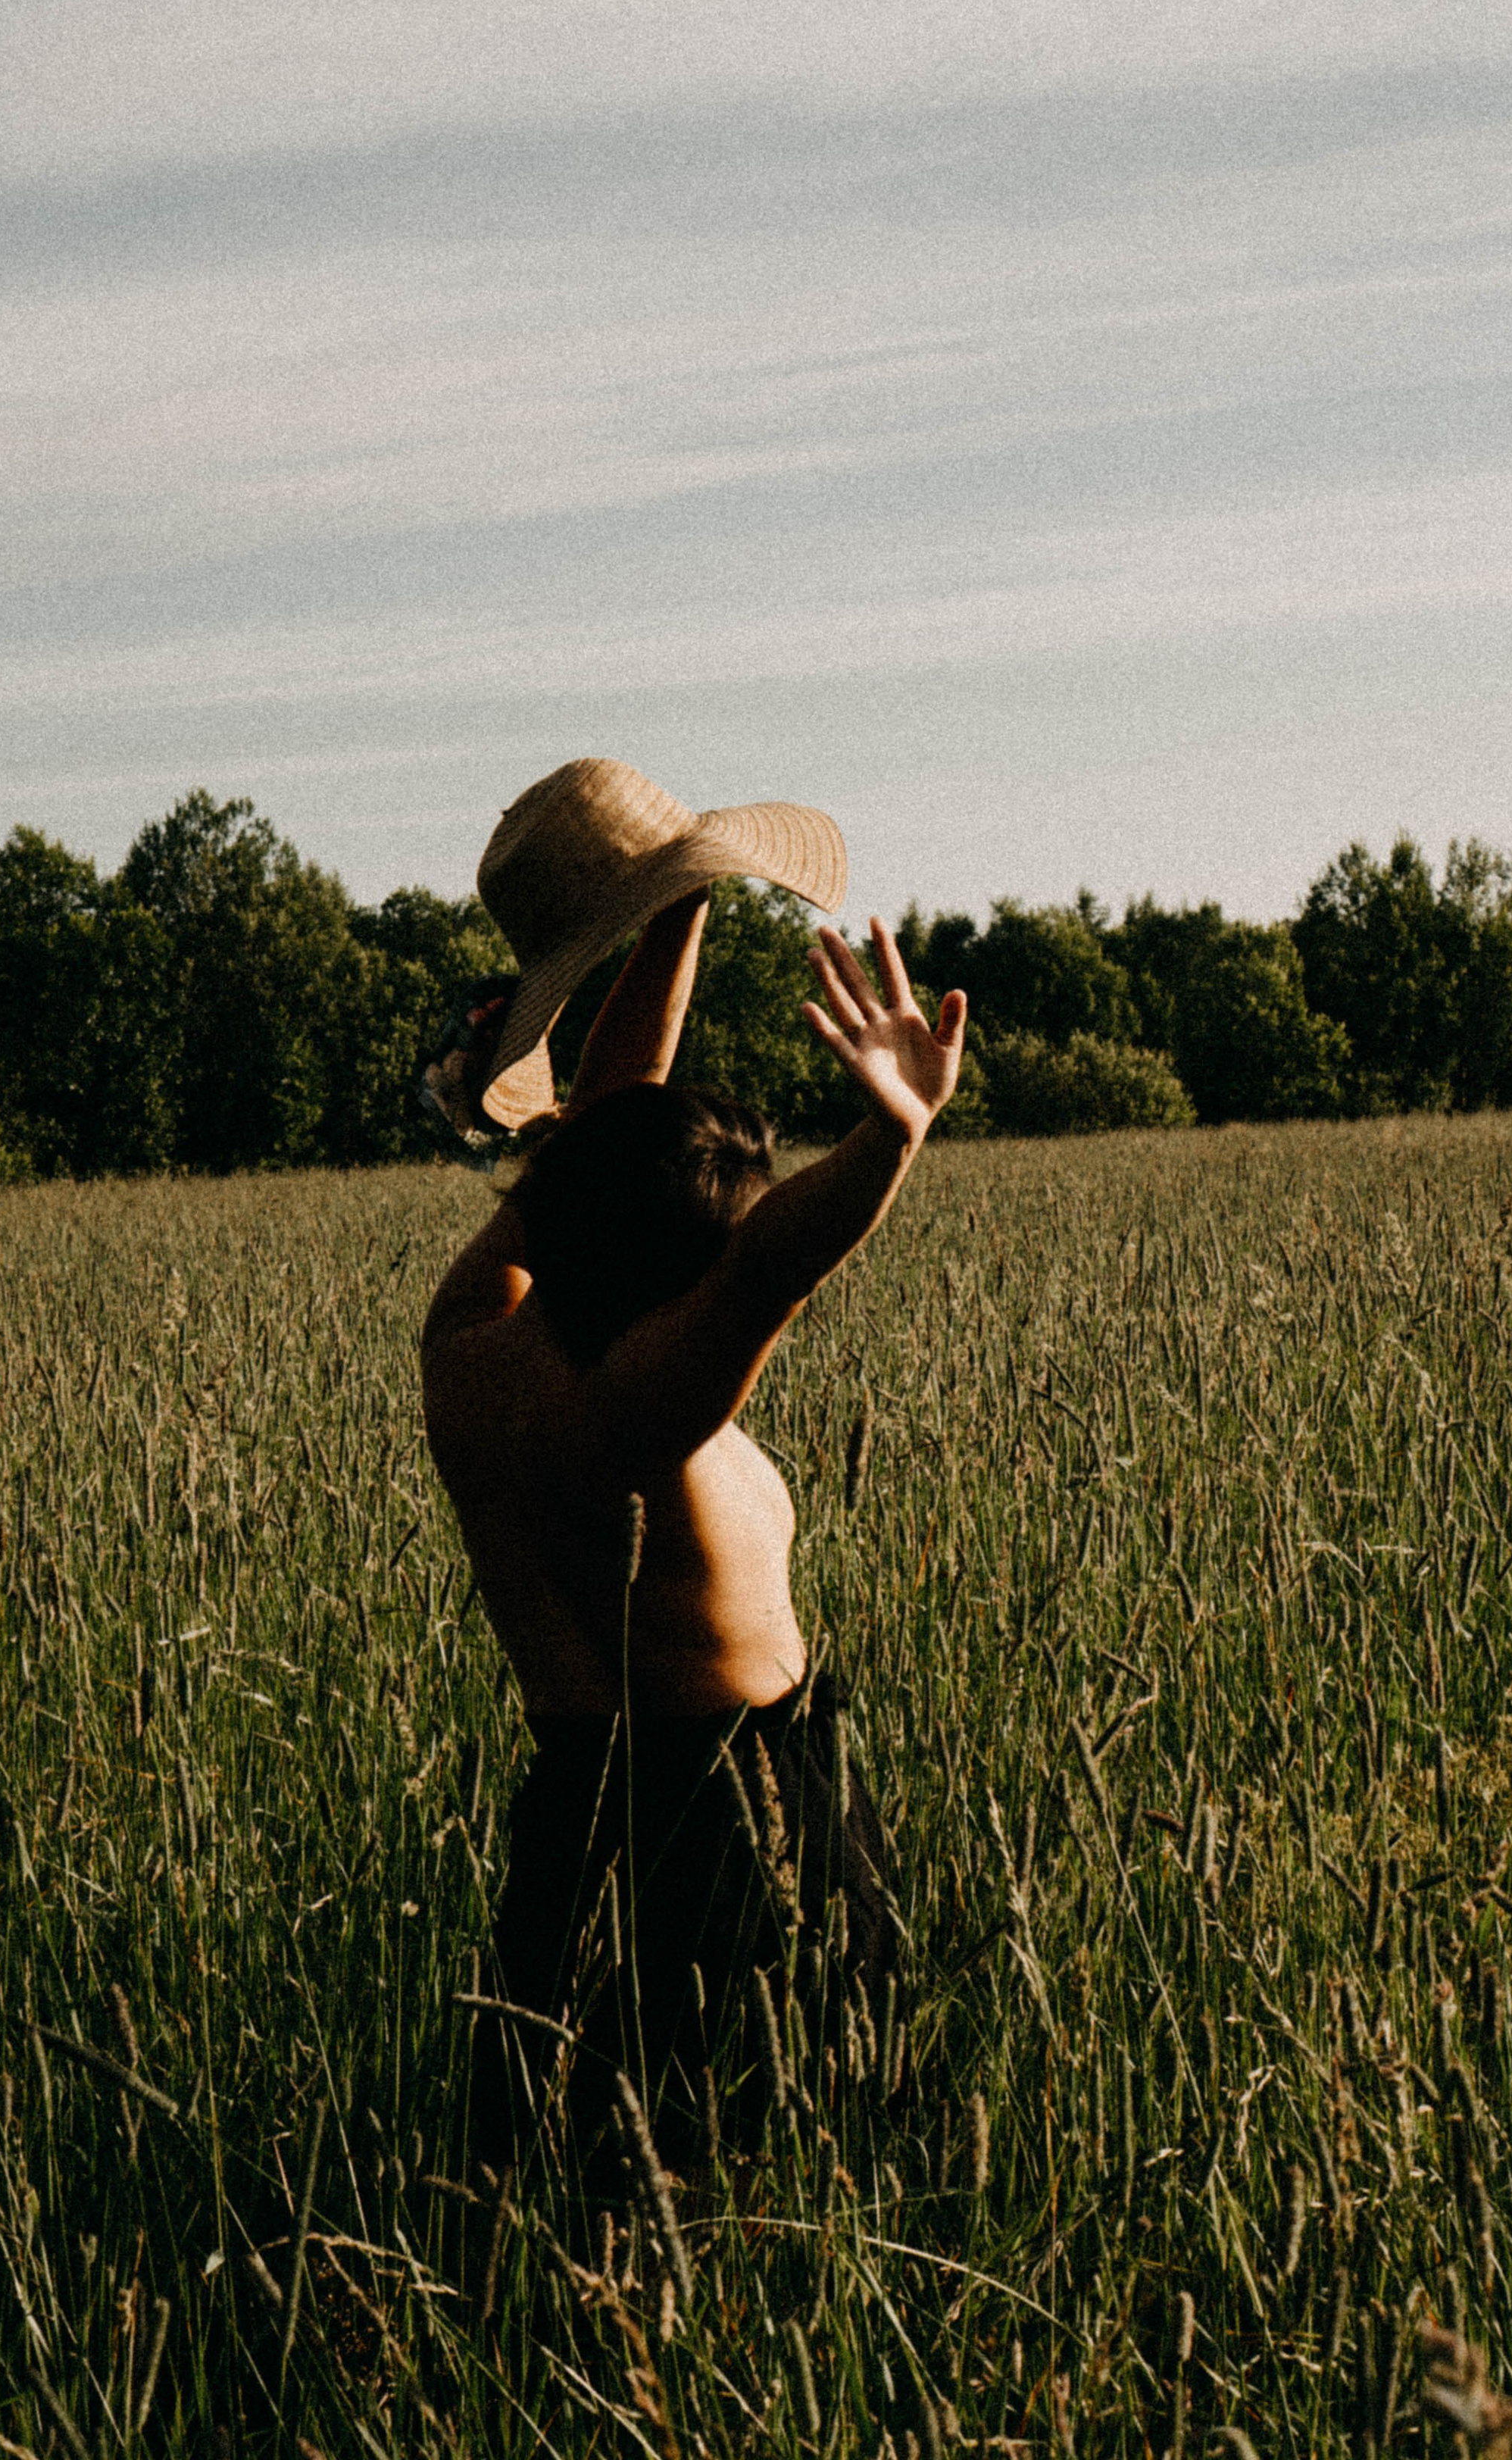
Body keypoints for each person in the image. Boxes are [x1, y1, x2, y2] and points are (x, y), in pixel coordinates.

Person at [421, 867, 966, 2174]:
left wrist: (680, 904)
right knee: (773, 2171)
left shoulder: (470, 1338)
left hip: (576, 1816)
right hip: (731, 1826)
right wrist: (894, 1133)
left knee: (559, 2173)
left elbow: (605, 1134)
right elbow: (771, 1268)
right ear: (692, 1272)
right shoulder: (640, 1418)